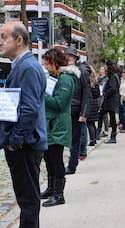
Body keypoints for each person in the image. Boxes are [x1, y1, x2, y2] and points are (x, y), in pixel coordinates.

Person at [0, 21, 47, 228]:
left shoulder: (27, 67)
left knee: (27, 195)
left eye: (4, 37)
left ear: (19, 40)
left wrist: (15, 141)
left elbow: (29, 110)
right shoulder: (24, 65)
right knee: (28, 192)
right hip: (26, 142)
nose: (0, 41)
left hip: (25, 144)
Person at [40, 48, 79, 207]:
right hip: (50, 123)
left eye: (47, 63)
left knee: (56, 159)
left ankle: (59, 194)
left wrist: (41, 94)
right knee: (48, 158)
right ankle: (50, 189)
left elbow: (59, 103)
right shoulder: (54, 76)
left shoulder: (66, 79)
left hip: (58, 124)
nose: (45, 66)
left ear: (55, 62)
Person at [64, 47, 91, 175]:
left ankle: (72, 165)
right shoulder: (62, 71)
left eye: (71, 56)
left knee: (75, 140)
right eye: (67, 56)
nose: (68, 58)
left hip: (76, 110)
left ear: (75, 58)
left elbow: (86, 93)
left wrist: (84, 113)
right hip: (64, 110)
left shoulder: (82, 72)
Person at [97, 60, 121, 143]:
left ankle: (110, 135)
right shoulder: (115, 76)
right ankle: (109, 134)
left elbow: (112, 88)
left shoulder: (113, 77)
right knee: (109, 116)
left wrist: (105, 94)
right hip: (111, 100)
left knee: (107, 116)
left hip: (110, 100)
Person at [86, 65, 101, 146]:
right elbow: (98, 94)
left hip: (90, 103)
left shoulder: (88, 81)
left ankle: (92, 140)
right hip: (95, 102)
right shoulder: (95, 81)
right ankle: (94, 139)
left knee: (89, 123)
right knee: (92, 123)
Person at [97, 66, 109, 139]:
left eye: (102, 69)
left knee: (104, 114)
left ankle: (106, 130)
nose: (101, 70)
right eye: (100, 69)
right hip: (98, 96)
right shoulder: (98, 78)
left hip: (103, 97)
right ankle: (99, 129)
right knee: (99, 114)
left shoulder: (106, 79)